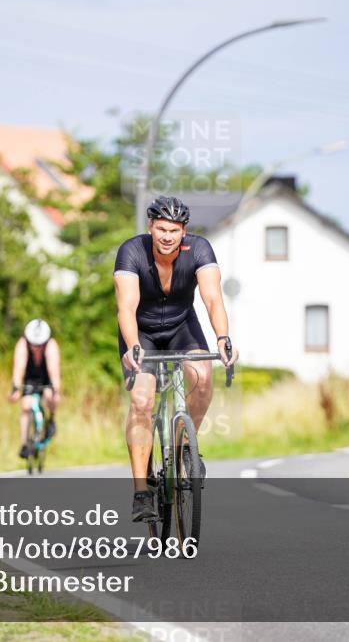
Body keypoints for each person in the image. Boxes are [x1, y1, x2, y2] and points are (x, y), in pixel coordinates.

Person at [113, 196, 239, 522]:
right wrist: (131, 346)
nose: (167, 236)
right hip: (142, 334)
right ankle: (142, 492)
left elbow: (212, 298)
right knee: (141, 401)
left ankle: (185, 446)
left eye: (174, 230)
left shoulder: (200, 250)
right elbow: (126, 305)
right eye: (161, 229)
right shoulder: (131, 251)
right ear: (150, 228)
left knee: (203, 375)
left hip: (183, 328)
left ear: (184, 231)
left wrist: (223, 338)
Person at [8, 319, 62, 459]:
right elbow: (18, 369)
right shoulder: (22, 345)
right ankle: (24, 444)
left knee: (51, 396)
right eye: (32, 345)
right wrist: (15, 389)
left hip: (45, 377)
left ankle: (51, 421)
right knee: (26, 406)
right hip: (29, 378)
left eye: (39, 346)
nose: (35, 348)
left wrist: (56, 391)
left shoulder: (51, 346)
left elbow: (54, 371)